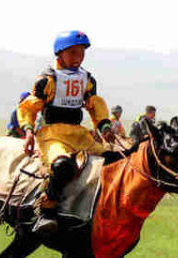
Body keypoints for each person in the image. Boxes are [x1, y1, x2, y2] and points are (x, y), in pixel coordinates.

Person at [16, 31, 116, 235]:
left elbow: (95, 105)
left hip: (80, 134)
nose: (78, 58)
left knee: (113, 158)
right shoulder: (48, 79)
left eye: (81, 53)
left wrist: (104, 126)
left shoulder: (86, 79)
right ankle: (46, 211)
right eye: (73, 53)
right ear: (60, 54)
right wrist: (27, 131)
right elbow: (29, 107)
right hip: (52, 134)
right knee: (61, 166)